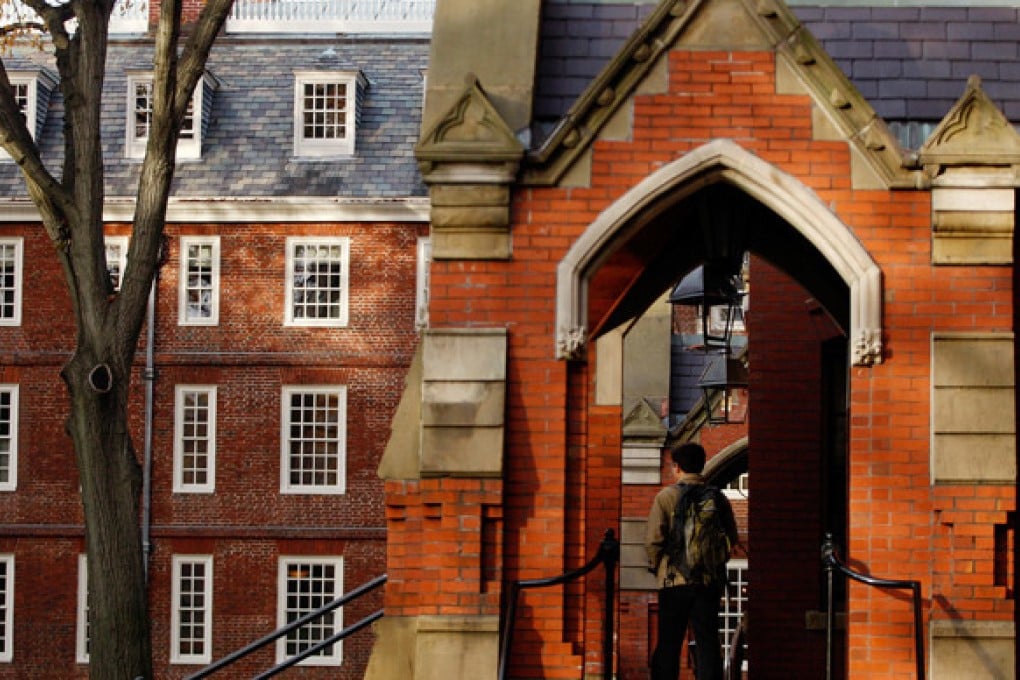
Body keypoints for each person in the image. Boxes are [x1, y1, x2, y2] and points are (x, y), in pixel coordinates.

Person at [645, 442, 739, 680]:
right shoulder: (717, 499)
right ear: (702, 465)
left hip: (674, 580)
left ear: (677, 467)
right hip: (708, 581)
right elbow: (731, 538)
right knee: (708, 641)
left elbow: (654, 540)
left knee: (669, 642)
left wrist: (660, 568)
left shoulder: (666, 497)